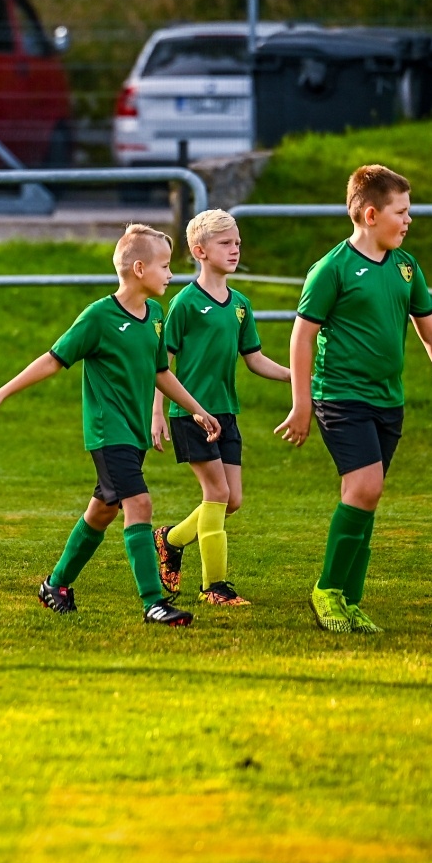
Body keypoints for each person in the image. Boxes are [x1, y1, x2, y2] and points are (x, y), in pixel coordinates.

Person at [0, 224, 220, 625]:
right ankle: (153, 602)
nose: (171, 274)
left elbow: (161, 372)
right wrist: (1, 392)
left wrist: (197, 409)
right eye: (164, 266)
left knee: (103, 510)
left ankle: (56, 584)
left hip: (134, 433)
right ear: (139, 269)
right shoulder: (99, 317)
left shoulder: (156, 316)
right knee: (139, 504)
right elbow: (53, 359)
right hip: (108, 432)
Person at [274, 165, 432, 634]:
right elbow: (302, 337)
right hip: (339, 395)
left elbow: (431, 333)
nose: (409, 220)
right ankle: (327, 590)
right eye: (402, 212)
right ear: (371, 215)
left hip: (387, 400)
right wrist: (301, 404)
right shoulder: (332, 268)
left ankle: (350, 600)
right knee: (365, 487)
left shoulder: (406, 267)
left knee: (366, 496)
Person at [150, 210, 291, 606]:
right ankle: (214, 587)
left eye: (238, 242)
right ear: (200, 251)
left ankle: (170, 539)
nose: (235, 249)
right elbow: (162, 364)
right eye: (226, 243)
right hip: (191, 414)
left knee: (232, 500)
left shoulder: (240, 305)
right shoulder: (185, 303)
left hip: (226, 413)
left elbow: (255, 359)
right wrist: (158, 412)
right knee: (216, 492)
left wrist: (295, 377)